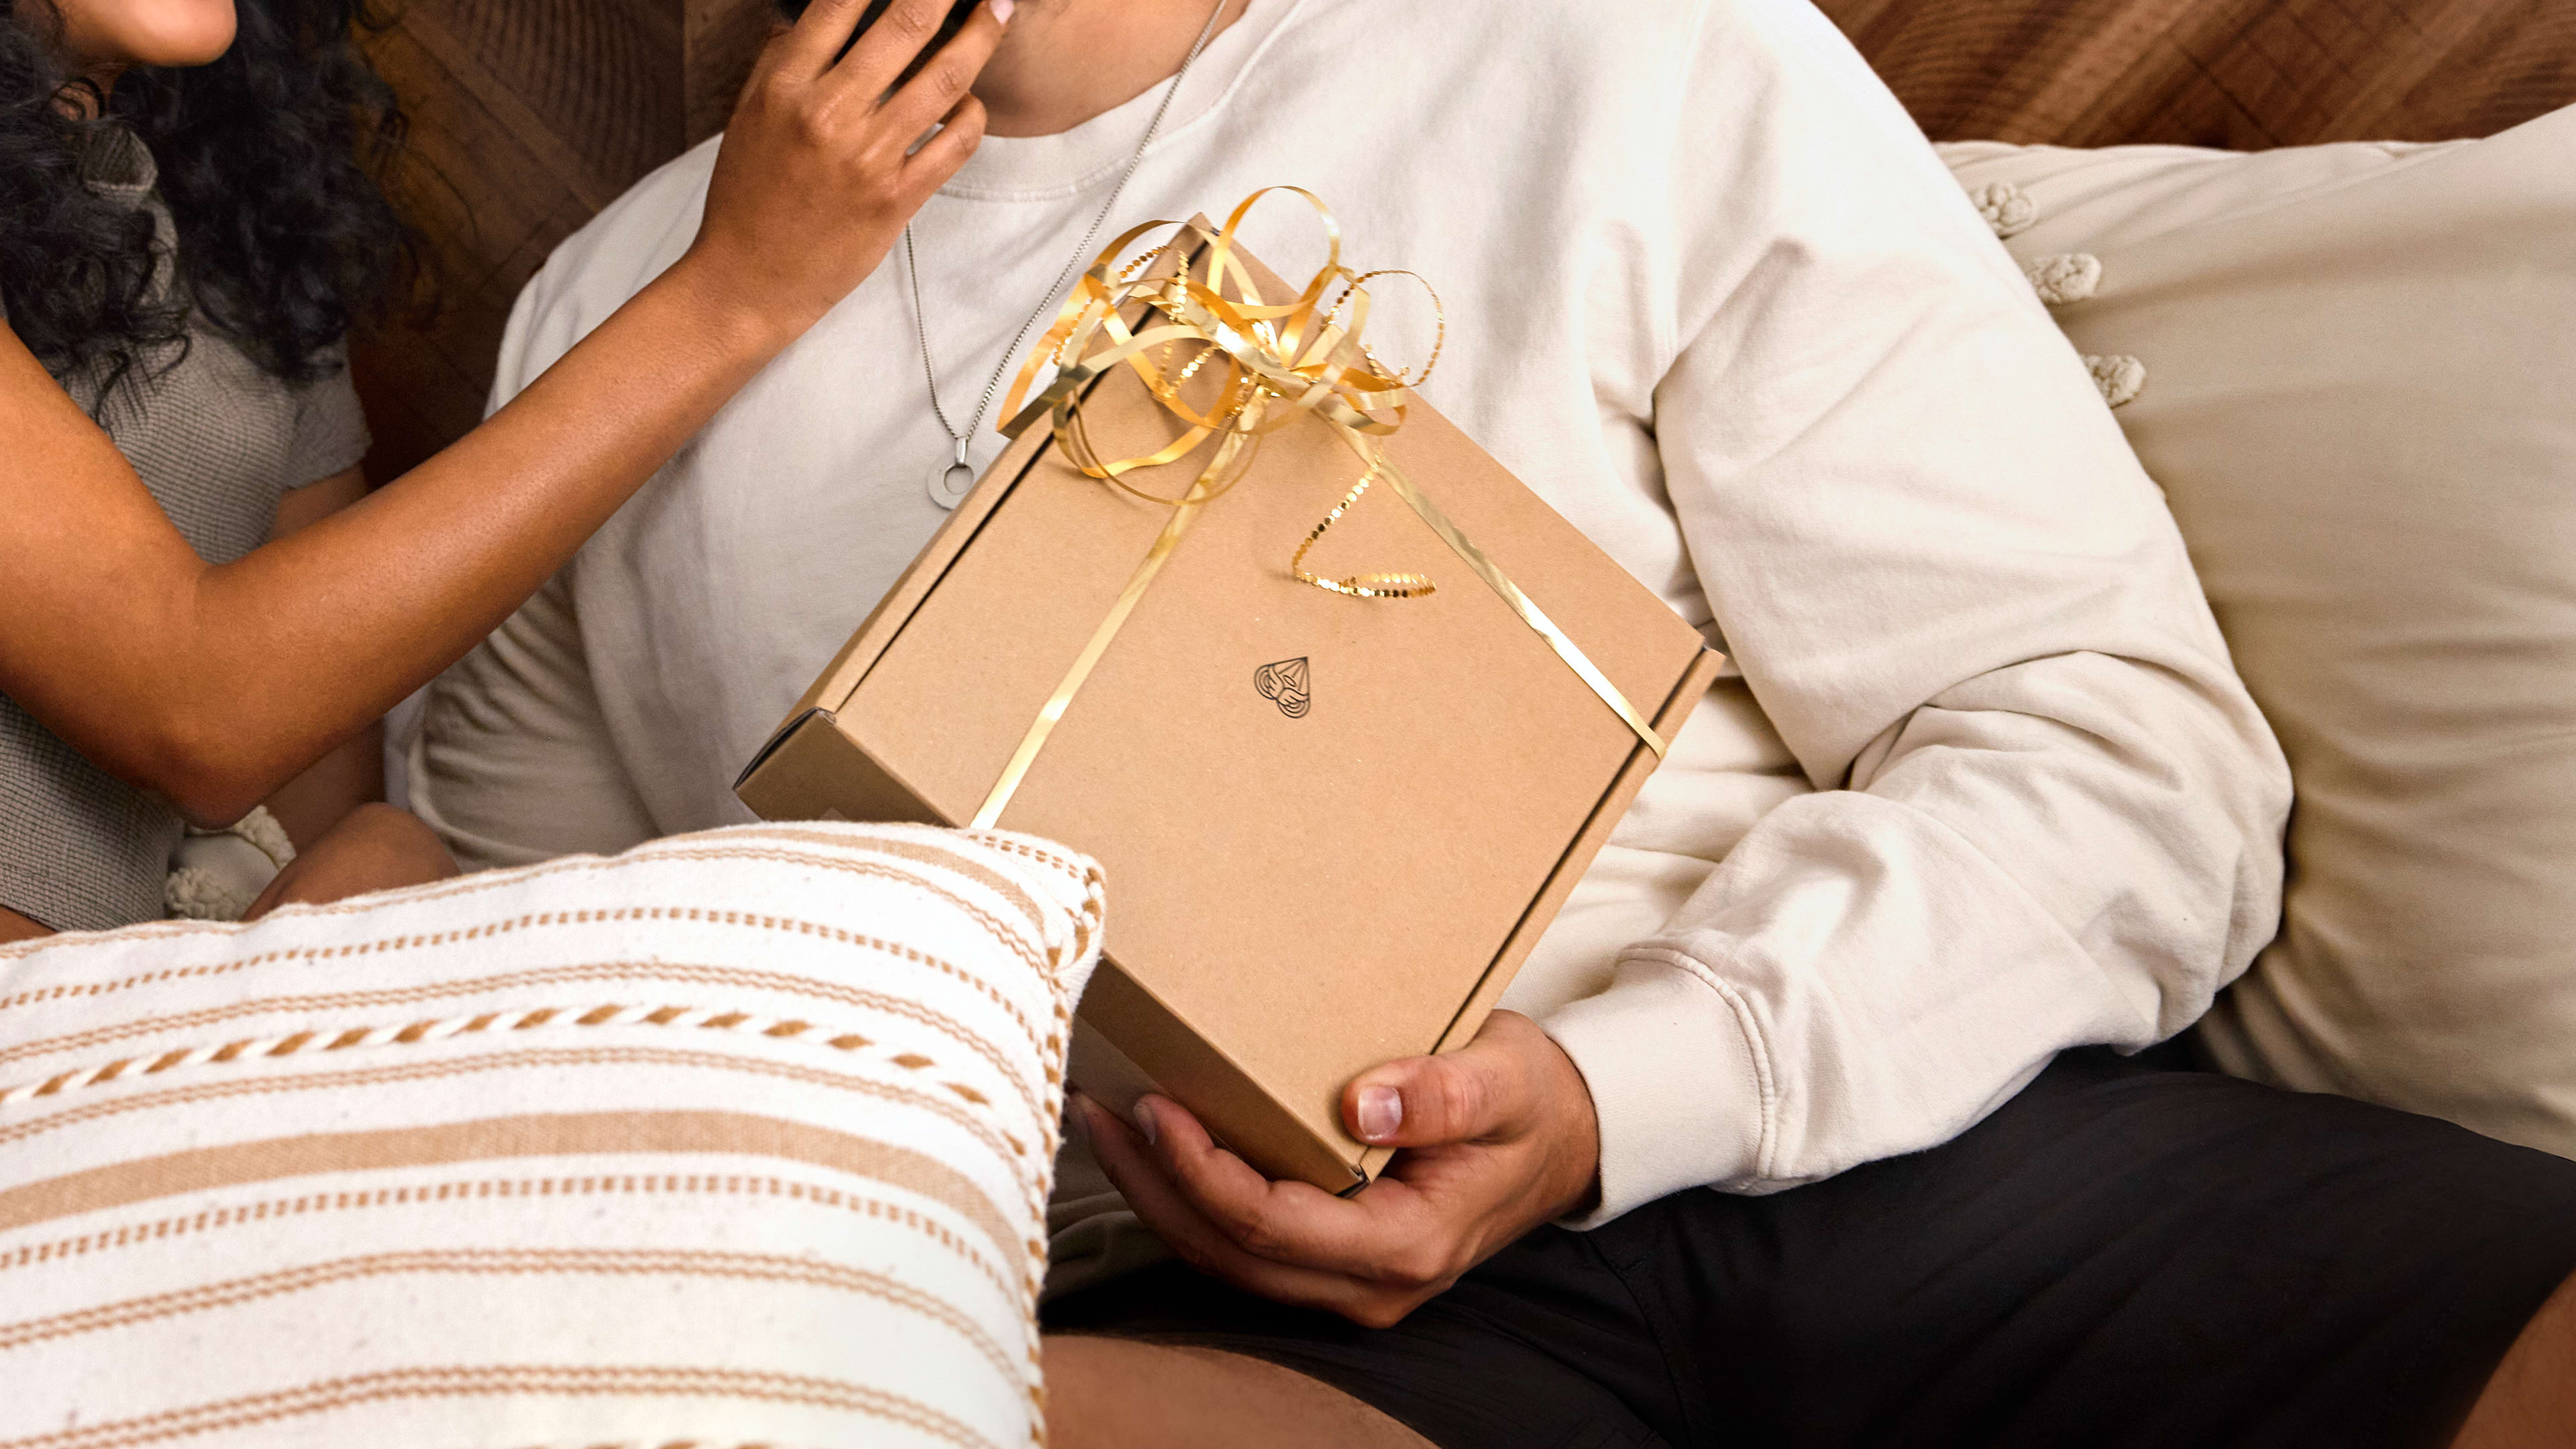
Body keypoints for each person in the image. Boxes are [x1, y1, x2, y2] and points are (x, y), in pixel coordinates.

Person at [411, 0, 2576, 1444]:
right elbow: (486, 949)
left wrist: (1613, 1086)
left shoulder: (1614, 52)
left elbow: (2125, 760)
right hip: (1254, 1306)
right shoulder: (618, 318)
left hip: (1920, 1155)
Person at [0, 0, 1010, 942]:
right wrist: (735, 292)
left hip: (122, 1073)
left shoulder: (234, 251)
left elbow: (313, 808)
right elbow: (204, 708)